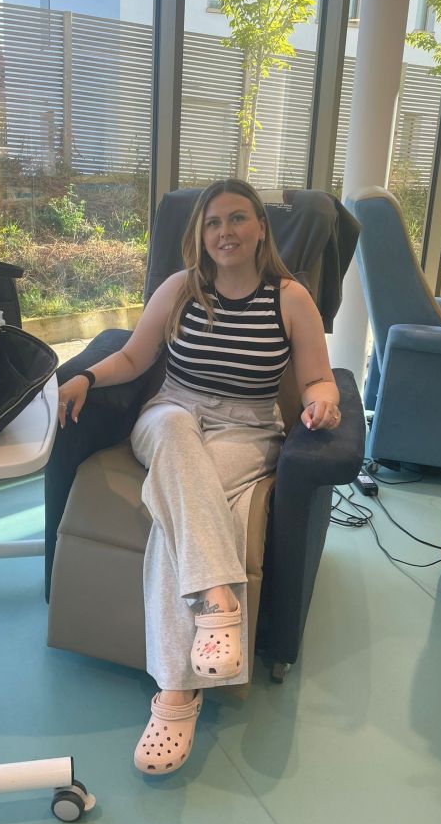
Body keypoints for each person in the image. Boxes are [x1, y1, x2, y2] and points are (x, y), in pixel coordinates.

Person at [56, 178, 341, 775]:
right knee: (180, 445)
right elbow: (134, 357)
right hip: (170, 413)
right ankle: (217, 607)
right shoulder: (182, 289)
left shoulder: (290, 298)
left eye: (238, 219)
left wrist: (323, 402)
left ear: (261, 227)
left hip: (247, 429)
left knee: (177, 514)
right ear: (200, 235)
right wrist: (85, 376)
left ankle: (175, 696)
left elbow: (318, 377)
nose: (225, 232)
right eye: (213, 223)